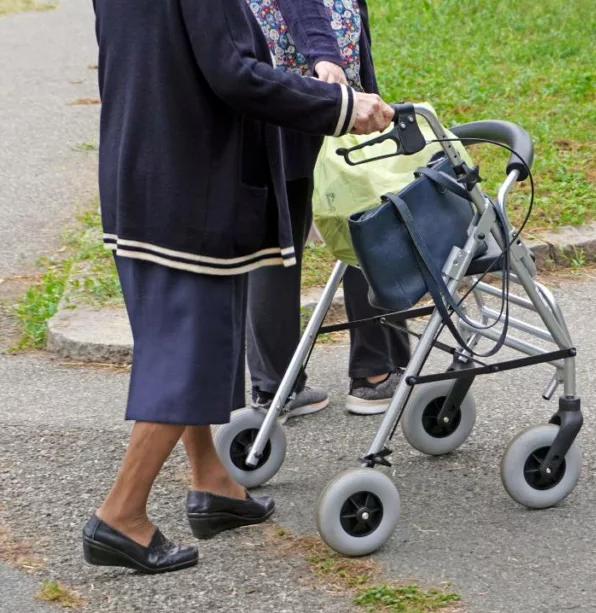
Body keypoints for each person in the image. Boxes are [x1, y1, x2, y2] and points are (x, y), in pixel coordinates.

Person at [83, 0, 395, 574]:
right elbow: (236, 74)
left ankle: (212, 484)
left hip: (138, 168)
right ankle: (120, 515)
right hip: (191, 184)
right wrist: (341, 104)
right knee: (189, 356)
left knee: (183, 341)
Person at [245, 0, 412, 419]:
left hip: (273, 91)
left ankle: (275, 387)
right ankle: (375, 376)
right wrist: (327, 56)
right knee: (364, 220)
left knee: (276, 243)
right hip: (322, 92)